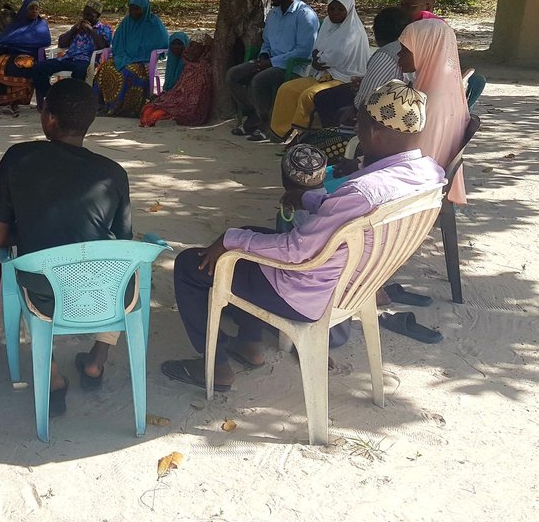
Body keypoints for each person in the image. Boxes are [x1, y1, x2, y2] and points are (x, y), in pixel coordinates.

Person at [161, 80, 444, 391]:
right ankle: (249, 345)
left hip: (308, 293)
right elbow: (343, 218)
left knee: (194, 264)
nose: (358, 133)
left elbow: (297, 251)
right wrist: (307, 198)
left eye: (360, 125)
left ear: (376, 130)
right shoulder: (429, 174)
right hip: (356, 283)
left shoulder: (363, 192)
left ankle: (214, 369)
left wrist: (230, 238)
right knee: (253, 236)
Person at [0, 78, 133, 417]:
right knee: (125, 273)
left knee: (30, 269)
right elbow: (123, 245)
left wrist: (34, 235)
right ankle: (97, 360)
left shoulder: (17, 157)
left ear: (49, 118)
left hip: (43, 290)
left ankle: (51, 376)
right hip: (102, 293)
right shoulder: (113, 173)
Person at [226, 0, 319, 141]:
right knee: (234, 74)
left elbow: (304, 51)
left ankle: (266, 125)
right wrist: (263, 55)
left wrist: (271, 62)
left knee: (260, 80)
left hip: (293, 66)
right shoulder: (273, 14)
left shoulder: (305, 15)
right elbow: (267, 42)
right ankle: (256, 114)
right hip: (271, 61)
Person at [268, 0, 371, 139]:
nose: (335, 12)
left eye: (340, 9)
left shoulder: (353, 30)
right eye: (331, 8)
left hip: (344, 77)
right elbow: (317, 49)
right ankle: (281, 131)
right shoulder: (328, 24)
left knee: (308, 95)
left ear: (349, 9)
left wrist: (319, 58)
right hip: (322, 74)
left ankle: (304, 136)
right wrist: (318, 58)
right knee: (287, 89)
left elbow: (334, 57)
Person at [398, 18, 470, 205]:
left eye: (405, 50)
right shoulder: (446, 89)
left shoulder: (432, 99)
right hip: (429, 176)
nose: (398, 55)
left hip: (420, 183)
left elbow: (416, 154)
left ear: (426, 50)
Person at [312, 6, 411, 127]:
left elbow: (367, 95)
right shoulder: (407, 48)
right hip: (387, 102)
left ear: (376, 33)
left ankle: (333, 135)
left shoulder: (385, 55)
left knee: (324, 98)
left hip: (379, 109)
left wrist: (354, 108)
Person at [93, 0, 170, 117]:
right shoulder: (127, 22)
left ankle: (125, 108)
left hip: (142, 61)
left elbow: (163, 42)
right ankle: (102, 105)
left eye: (137, 8)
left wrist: (138, 54)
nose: (133, 11)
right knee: (105, 68)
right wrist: (124, 56)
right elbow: (117, 42)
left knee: (128, 72)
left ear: (144, 8)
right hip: (123, 57)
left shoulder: (153, 23)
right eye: (131, 8)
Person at [31, 0, 112, 110]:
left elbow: (103, 46)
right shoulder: (78, 27)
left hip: (85, 60)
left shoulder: (104, 28)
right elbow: (62, 43)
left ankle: (74, 103)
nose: (86, 17)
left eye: (89, 15)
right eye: (84, 14)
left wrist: (90, 29)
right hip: (68, 58)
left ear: (97, 15)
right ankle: (53, 98)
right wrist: (74, 29)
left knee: (79, 72)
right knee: (38, 69)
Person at [0, 0, 52, 114]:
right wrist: (12, 44)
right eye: (31, 8)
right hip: (11, 53)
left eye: (36, 9)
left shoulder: (41, 25)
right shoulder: (16, 24)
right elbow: (1, 41)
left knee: (20, 66)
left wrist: (17, 43)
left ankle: (15, 102)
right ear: (24, 10)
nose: (34, 11)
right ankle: (7, 102)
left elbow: (45, 41)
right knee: (0, 66)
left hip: (31, 55)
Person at [139, 32, 214, 127]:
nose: (176, 47)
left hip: (186, 106)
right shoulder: (175, 61)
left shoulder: (197, 68)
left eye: (180, 44)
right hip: (173, 98)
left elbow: (191, 96)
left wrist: (169, 99)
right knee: (148, 109)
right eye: (173, 44)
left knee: (153, 114)